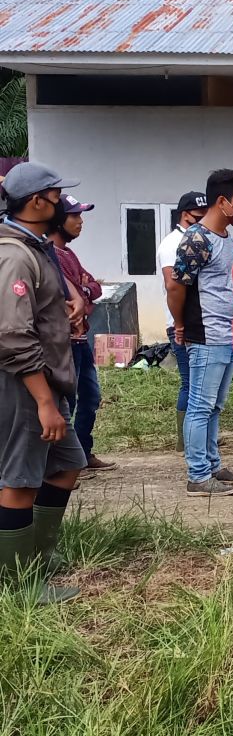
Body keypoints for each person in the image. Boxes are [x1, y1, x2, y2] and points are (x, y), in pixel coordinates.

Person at [0, 161, 88, 603]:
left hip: (47, 382)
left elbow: (47, 284)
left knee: (68, 462)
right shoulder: (14, 254)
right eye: (56, 196)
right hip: (24, 384)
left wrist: (69, 298)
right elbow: (13, 337)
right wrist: (44, 403)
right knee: (20, 479)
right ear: (36, 202)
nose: (62, 203)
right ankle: (20, 585)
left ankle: (38, 553)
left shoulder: (34, 246)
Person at [167, 169, 233, 497]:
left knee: (214, 406)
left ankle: (213, 465)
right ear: (222, 202)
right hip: (205, 335)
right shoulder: (197, 239)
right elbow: (176, 285)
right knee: (200, 406)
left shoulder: (223, 239)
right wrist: (180, 324)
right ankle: (198, 475)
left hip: (224, 334)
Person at [49, 194, 115, 471]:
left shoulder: (68, 253)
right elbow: (70, 300)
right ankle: (63, 464)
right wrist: (84, 288)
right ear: (57, 220)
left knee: (90, 398)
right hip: (64, 342)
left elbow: (94, 289)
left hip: (81, 340)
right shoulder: (50, 255)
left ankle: (83, 454)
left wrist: (84, 289)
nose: (80, 221)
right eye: (74, 215)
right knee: (68, 403)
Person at [157, 191, 208, 450]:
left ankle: (193, 437)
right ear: (184, 214)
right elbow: (172, 284)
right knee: (191, 384)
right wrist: (179, 324)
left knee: (198, 384)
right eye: (196, 218)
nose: (200, 222)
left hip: (192, 322)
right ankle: (186, 440)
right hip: (180, 324)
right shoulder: (172, 243)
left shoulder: (195, 238)